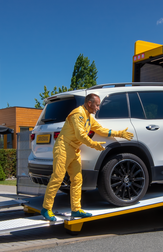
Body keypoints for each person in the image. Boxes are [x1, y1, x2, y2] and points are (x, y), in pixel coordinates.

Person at [41, 93, 134, 221]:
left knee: (77, 180)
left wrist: (120, 133)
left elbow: (100, 129)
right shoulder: (77, 114)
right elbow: (80, 135)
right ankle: (46, 209)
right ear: (89, 103)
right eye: (97, 105)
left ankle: (76, 209)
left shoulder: (88, 117)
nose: (98, 108)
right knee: (57, 178)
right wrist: (94, 145)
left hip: (74, 150)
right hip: (63, 148)